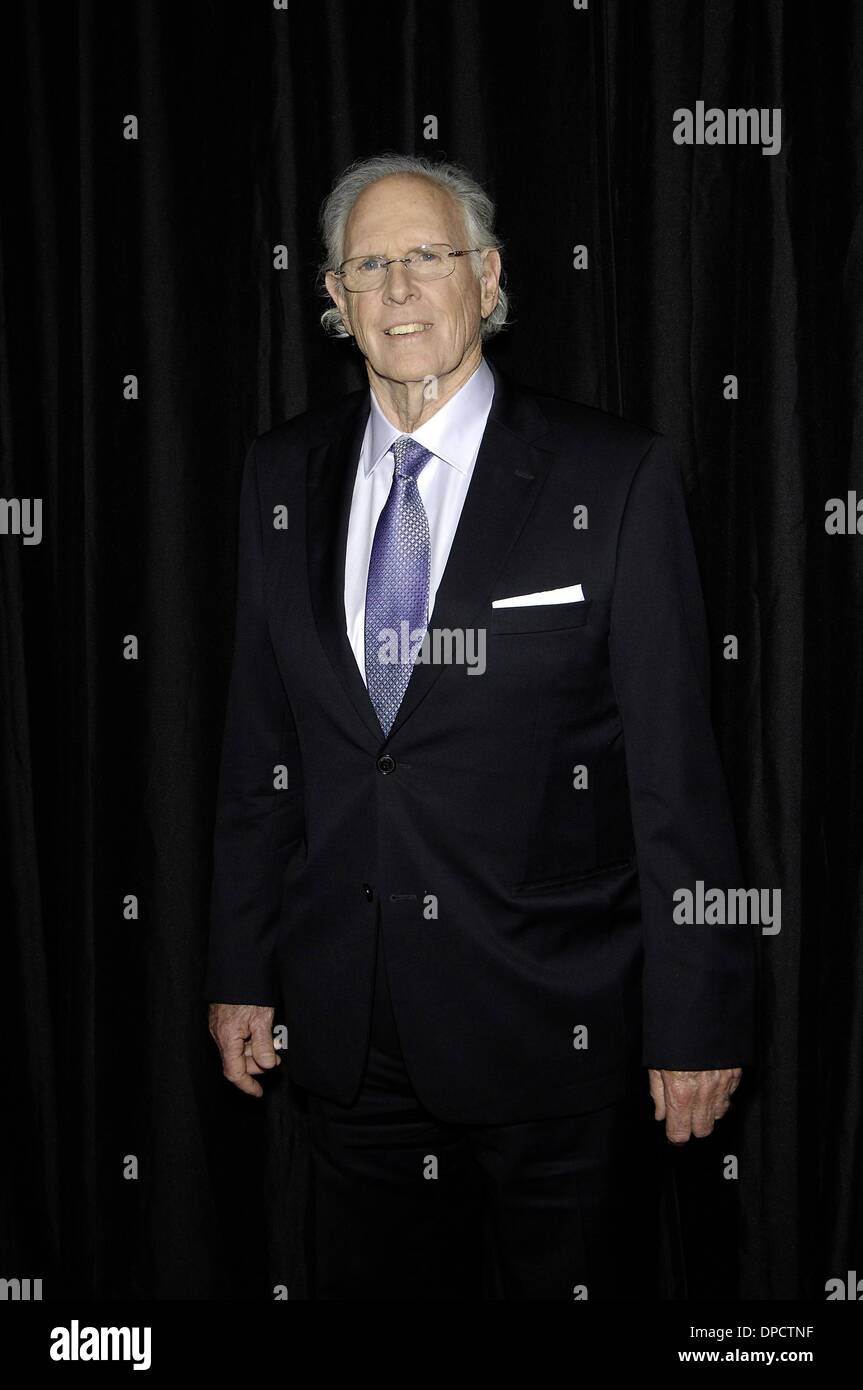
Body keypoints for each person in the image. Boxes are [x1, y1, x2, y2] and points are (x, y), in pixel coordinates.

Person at [204, 152, 755, 1300]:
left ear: (487, 278)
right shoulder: (278, 476)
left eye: (427, 257)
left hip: (552, 1030)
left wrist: (695, 1017)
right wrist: (239, 967)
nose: (399, 287)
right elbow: (261, 754)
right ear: (333, 295)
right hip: (348, 1037)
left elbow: (674, 777)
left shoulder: (612, 477)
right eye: (369, 264)